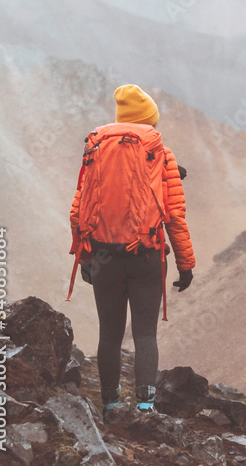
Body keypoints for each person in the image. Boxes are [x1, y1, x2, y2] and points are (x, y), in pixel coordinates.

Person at [68, 84, 195, 417]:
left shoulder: (96, 149)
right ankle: (145, 406)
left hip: (103, 256)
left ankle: (110, 405)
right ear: (148, 122)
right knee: (144, 333)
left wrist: (85, 257)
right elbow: (175, 217)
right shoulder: (161, 154)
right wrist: (186, 264)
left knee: (109, 334)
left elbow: (77, 211)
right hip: (147, 256)